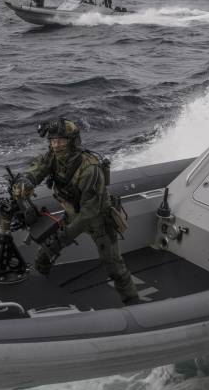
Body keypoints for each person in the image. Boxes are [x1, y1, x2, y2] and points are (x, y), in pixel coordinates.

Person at [12, 118, 139, 306]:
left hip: (98, 220)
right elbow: (37, 169)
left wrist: (63, 236)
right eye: (53, 141)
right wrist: (27, 181)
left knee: (114, 267)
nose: (56, 145)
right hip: (72, 214)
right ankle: (38, 289)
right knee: (44, 253)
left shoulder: (90, 169)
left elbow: (89, 212)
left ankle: (133, 302)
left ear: (72, 141)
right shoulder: (52, 157)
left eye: (61, 141)